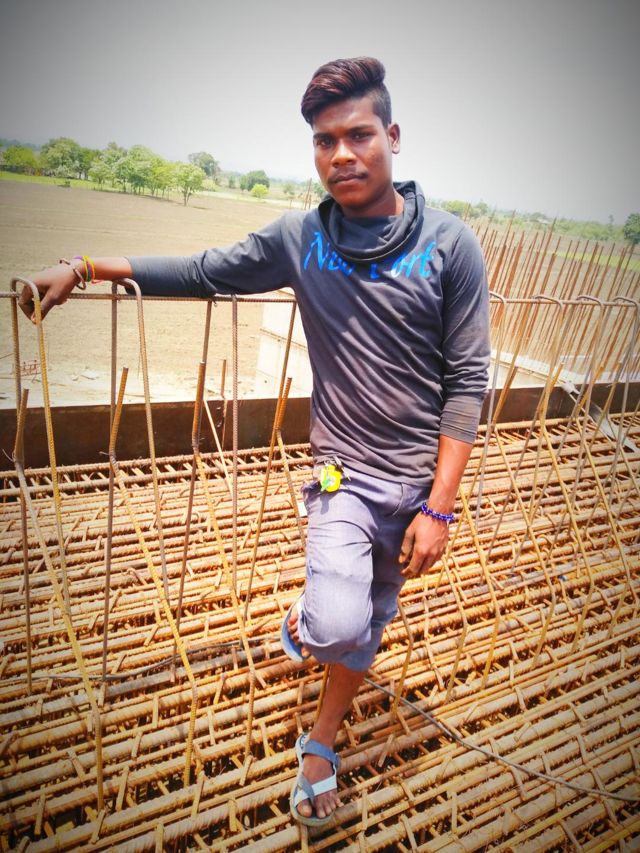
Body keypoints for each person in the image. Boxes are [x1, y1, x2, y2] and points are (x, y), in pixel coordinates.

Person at [20, 57, 490, 827]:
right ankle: (310, 620)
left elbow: (467, 381)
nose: (341, 154)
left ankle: (320, 742)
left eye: (358, 135)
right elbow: (203, 270)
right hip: (343, 476)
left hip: (414, 491)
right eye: (324, 141)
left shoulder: (450, 244)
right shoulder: (301, 239)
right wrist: (85, 266)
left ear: (393, 136)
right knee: (337, 623)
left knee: (370, 620)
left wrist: (438, 508)